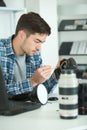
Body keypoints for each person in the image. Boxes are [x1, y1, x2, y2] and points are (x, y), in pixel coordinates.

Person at [0, 12, 61, 99]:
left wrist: (57, 73)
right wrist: (32, 81)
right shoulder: (1, 51)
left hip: (28, 109)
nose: (39, 48)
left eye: (41, 43)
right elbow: (2, 95)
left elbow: (39, 91)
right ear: (22, 35)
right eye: (37, 41)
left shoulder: (34, 54)